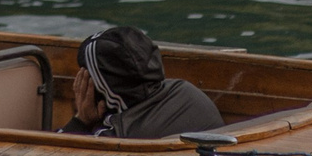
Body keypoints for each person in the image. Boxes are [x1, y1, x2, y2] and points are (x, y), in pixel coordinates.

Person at [65, 25, 224, 138]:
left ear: (100, 87)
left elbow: (55, 155)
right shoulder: (187, 92)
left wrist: (81, 121)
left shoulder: (120, 132)